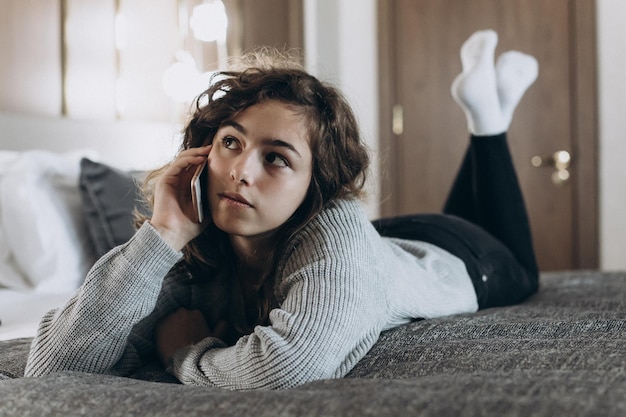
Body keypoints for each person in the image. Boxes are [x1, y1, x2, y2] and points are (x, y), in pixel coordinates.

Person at [25, 30, 539, 390]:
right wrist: (160, 235)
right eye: (231, 142)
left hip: (463, 257)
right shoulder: (196, 246)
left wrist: (185, 354)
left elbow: (289, 369)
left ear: (317, 184)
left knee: (522, 262)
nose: (240, 171)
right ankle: (487, 110)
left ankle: (487, 123)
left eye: (276, 157)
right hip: (386, 247)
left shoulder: (336, 230)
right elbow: (51, 369)